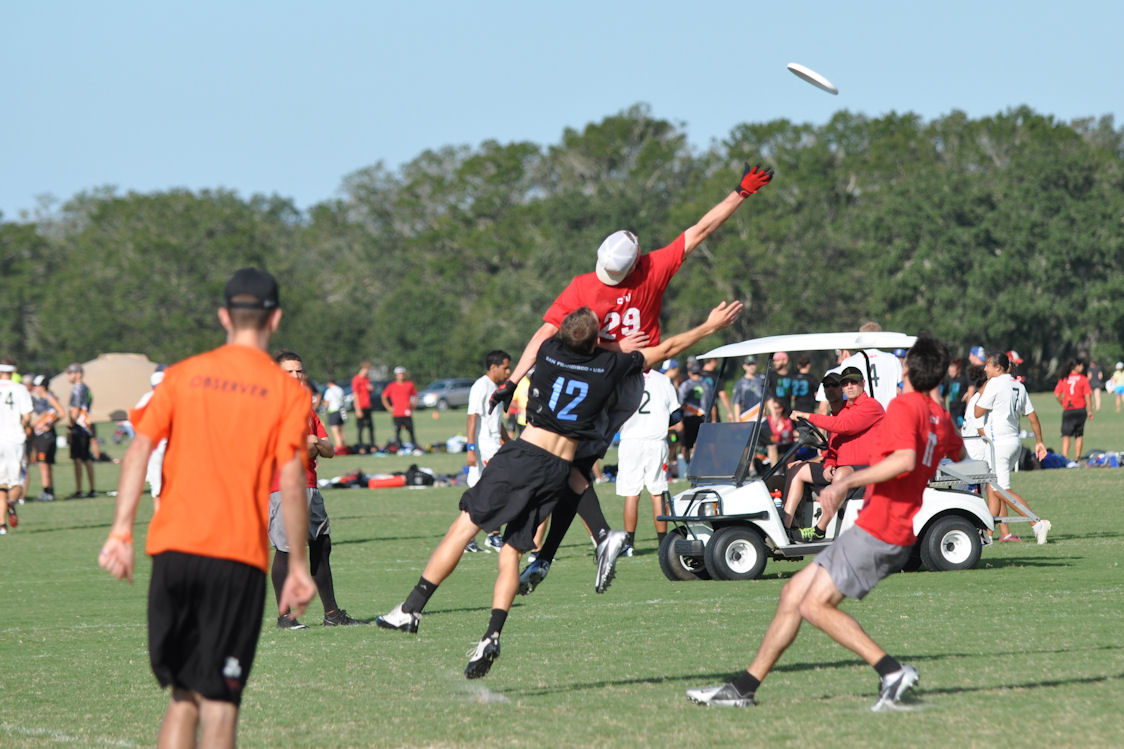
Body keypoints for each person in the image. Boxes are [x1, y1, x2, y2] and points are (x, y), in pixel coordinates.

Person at [376, 301, 743, 680]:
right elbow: (667, 349)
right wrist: (709, 326)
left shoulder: (549, 353)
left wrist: (605, 342)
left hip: (523, 455)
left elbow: (547, 333)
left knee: (462, 528)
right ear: (596, 341)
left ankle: (411, 608)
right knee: (512, 551)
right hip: (558, 470)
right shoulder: (609, 365)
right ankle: (492, 634)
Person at [491, 161, 774, 596]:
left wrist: (514, 381)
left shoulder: (584, 285)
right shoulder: (653, 266)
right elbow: (703, 229)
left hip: (596, 382)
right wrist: (741, 192)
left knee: (559, 467)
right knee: (574, 471)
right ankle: (548, 557)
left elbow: (543, 334)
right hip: (633, 383)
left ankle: (589, 539)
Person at [686, 333, 965, 711]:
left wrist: (845, 482)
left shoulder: (904, 406)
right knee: (792, 594)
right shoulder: (939, 417)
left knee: (813, 606)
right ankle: (743, 688)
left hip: (881, 528)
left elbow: (904, 461)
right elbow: (958, 452)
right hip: (883, 526)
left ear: (906, 369)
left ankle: (891, 671)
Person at [98, 267, 316, 748]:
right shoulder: (286, 392)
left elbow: (138, 449)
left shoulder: (183, 375)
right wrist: (298, 566)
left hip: (173, 552)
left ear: (223, 316)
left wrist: (120, 533)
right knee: (220, 703)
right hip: (235, 559)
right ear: (275, 319)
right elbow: (292, 478)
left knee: (183, 696)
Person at [271, 351, 370, 628]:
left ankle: (332, 615)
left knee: (321, 544)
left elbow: (328, 449)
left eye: (299, 371)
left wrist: (312, 441)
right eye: (289, 372)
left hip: (310, 484)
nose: (296, 376)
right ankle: (284, 617)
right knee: (287, 550)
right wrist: (311, 443)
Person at [787, 366, 885, 540]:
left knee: (842, 473)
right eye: (845, 383)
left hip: (868, 469)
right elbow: (833, 446)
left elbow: (844, 427)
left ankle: (820, 529)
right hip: (843, 468)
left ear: (863, 383)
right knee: (797, 469)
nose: (850, 386)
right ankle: (785, 527)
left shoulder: (871, 406)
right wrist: (829, 464)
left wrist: (807, 416)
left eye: (854, 382)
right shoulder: (843, 412)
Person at [974, 352, 1051, 543]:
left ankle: (1037, 523)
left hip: (999, 445)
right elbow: (1032, 416)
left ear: (998, 368)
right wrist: (1039, 441)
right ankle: (987, 536)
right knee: (993, 488)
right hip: (1014, 443)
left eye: (988, 365)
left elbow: (977, 412)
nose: (985, 368)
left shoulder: (994, 384)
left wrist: (985, 388)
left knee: (1000, 489)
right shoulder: (1018, 385)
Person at [616, 368, 681, 556]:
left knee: (631, 494)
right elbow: (676, 415)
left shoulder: (623, 378)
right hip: (656, 441)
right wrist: (658, 422)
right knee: (657, 493)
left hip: (630, 442)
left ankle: (629, 546)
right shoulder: (663, 379)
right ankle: (663, 545)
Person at [465, 350, 512, 552]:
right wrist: (470, 449)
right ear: (494, 367)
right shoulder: (481, 386)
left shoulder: (496, 387)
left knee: (482, 492)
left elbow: (495, 419)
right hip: (483, 447)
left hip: (494, 445)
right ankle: (493, 535)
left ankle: (469, 538)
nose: (508, 372)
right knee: (496, 489)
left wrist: (508, 440)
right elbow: (472, 418)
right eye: (505, 367)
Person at [816, 323, 902, 411]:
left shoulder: (849, 362)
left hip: (862, 414)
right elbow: (902, 388)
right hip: (888, 414)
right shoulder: (893, 359)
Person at [127, 367, 169, 511]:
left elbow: (134, 421)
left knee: (157, 489)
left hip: (155, 447)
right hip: (168, 447)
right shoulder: (173, 397)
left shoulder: (147, 398)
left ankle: (160, 518)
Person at [0, 358, 32, 534]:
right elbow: (27, 417)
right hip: (15, 440)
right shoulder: (20, 389)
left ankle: (2, 525)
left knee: (1, 483)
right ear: (13, 372)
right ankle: (11, 502)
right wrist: (22, 426)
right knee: (17, 481)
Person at [28, 374, 65, 502]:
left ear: (43, 387)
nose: (35, 388)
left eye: (37, 386)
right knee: (45, 465)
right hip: (40, 435)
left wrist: (49, 424)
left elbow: (61, 413)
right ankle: (49, 491)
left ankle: (47, 492)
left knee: (43, 464)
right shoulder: (40, 399)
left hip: (46, 436)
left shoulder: (49, 397)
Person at [65, 362, 97, 498]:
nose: (68, 376)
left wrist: (70, 426)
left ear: (78, 374)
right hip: (86, 427)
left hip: (79, 427)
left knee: (78, 459)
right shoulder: (86, 388)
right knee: (86, 458)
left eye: (70, 373)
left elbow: (75, 410)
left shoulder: (78, 389)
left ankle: (79, 490)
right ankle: (92, 489)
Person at [1054, 359, 1094, 463]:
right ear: (1076, 366)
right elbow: (1088, 395)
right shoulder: (1083, 379)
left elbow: (1057, 394)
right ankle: (1077, 458)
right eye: (1081, 365)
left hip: (1068, 410)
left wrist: (1063, 403)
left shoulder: (1064, 378)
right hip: (1080, 410)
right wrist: (1090, 410)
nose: (1083, 367)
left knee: (1066, 436)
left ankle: (1064, 458)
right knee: (1079, 435)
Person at [677, 359, 713, 461]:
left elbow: (680, 404)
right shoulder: (707, 385)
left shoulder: (685, 385)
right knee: (700, 444)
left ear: (689, 373)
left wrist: (679, 420)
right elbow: (712, 405)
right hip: (703, 418)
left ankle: (688, 465)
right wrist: (713, 419)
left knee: (685, 446)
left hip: (688, 419)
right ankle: (696, 464)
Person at [381, 366, 418, 450]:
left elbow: (415, 395)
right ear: (396, 375)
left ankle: (414, 446)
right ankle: (398, 447)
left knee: (411, 431)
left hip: (407, 413)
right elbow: (384, 396)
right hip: (397, 413)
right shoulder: (391, 386)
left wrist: (413, 406)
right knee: (397, 432)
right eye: (399, 374)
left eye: (402, 374)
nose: (401, 376)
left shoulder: (409, 384)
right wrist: (389, 407)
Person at [351, 362, 375, 453]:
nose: (367, 372)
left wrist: (371, 389)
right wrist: (358, 409)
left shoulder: (367, 379)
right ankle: (361, 447)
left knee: (371, 428)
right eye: (367, 370)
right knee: (361, 428)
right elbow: (355, 395)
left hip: (368, 406)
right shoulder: (356, 379)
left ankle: (372, 446)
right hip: (360, 407)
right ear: (363, 369)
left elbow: (368, 392)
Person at [322, 375, 347, 451]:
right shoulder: (340, 389)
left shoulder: (329, 391)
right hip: (341, 411)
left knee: (335, 431)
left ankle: (339, 447)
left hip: (333, 411)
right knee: (341, 430)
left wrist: (323, 404)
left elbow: (327, 403)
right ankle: (344, 446)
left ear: (329, 383)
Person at [943, 357, 970, 428]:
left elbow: (971, 388)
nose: (951, 374)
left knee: (961, 426)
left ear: (958, 370)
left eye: (953, 372)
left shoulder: (964, 378)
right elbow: (943, 393)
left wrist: (968, 393)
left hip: (961, 408)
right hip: (952, 408)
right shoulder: (948, 379)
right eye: (949, 372)